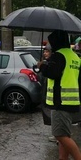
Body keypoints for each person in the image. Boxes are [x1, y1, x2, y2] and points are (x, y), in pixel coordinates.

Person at [38, 30, 81, 160]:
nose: (51, 46)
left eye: (51, 42)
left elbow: (52, 73)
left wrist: (42, 66)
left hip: (60, 101)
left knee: (59, 135)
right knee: (64, 135)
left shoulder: (58, 55)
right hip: (71, 102)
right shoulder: (74, 57)